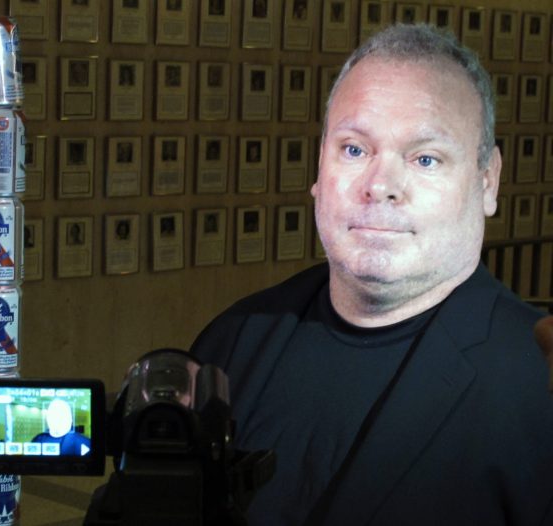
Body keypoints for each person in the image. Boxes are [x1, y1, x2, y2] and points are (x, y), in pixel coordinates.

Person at [191, 24, 553, 526]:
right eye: (355, 150)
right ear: (319, 169)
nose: (380, 186)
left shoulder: (539, 382)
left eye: (425, 158)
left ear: (487, 181)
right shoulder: (233, 343)